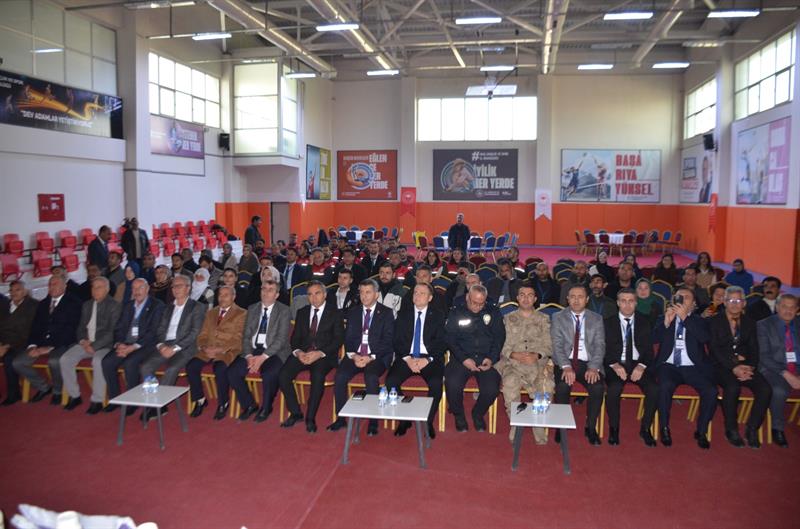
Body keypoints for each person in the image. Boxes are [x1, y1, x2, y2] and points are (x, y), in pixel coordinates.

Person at [652, 288, 716, 449]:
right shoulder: (663, 318)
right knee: (664, 386)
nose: (681, 299)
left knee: (711, 391)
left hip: (693, 367)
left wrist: (685, 319)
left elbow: (704, 337)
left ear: (693, 304)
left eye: (686, 297)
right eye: (678, 296)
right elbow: (653, 339)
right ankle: (664, 428)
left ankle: (701, 431)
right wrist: (666, 323)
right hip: (669, 366)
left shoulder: (700, 321)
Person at [328, 279, 393, 436]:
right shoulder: (354, 312)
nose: (364, 296)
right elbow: (348, 339)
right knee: (340, 376)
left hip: (377, 357)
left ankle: (373, 421)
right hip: (355, 355)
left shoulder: (386, 313)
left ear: (376, 295)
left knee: (371, 377)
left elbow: (388, 341)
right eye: (361, 292)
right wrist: (354, 355)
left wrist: (370, 357)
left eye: (368, 292)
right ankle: (340, 418)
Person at [384, 283, 447, 439]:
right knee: (391, 381)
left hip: (429, 358)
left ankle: (428, 421)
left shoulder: (438, 315)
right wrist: (408, 359)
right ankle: (404, 419)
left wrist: (427, 359)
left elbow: (442, 342)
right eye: (415, 292)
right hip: (407, 356)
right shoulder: (403, 314)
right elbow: (396, 341)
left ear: (430, 298)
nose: (417, 296)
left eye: (422, 293)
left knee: (436, 384)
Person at [710, 286, 771, 448]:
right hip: (721, 366)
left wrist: (750, 367)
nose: (735, 304)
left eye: (738, 300)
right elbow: (715, 350)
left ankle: (752, 429)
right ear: (724, 302)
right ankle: (731, 429)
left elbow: (754, 349)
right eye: (731, 300)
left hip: (745, 366)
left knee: (765, 389)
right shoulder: (714, 321)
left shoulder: (750, 323)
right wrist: (733, 366)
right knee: (732, 387)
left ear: (744, 303)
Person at [139, 274, 206, 421]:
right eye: (173, 286)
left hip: (185, 347)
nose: (175, 289)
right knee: (145, 367)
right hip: (165, 345)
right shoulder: (168, 307)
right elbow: (160, 330)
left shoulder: (197, 307)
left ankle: (158, 405)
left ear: (188, 288)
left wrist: (175, 348)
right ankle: (154, 399)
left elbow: (194, 333)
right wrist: (161, 345)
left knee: (171, 368)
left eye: (179, 286)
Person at [279, 281, 343, 431]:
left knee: (317, 376)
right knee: (283, 375)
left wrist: (319, 353)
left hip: (324, 355)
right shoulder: (302, 312)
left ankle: (310, 417)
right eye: (310, 294)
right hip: (303, 353)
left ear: (325, 295)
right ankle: (295, 413)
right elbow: (295, 339)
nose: (313, 297)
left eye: (317, 293)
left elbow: (338, 339)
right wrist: (299, 352)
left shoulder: (335, 313)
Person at [496, 282, 554, 444]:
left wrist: (537, 355)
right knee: (510, 384)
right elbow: (501, 344)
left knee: (547, 386)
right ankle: (516, 422)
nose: (526, 299)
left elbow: (549, 345)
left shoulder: (544, 319)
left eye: (530, 295)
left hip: (537, 364)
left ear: (535, 299)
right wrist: (513, 354)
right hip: (513, 364)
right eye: (522, 295)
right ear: (517, 298)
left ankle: (539, 424)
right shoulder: (507, 319)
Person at [227, 280, 291, 423]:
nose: (266, 292)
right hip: (253, 349)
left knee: (269, 374)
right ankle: (249, 405)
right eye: (264, 289)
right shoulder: (252, 308)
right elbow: (246, 336)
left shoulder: (284, 310)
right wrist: (249, 356)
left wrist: (262, 358)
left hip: (275, 352)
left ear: (277, 295)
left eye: (270, 290)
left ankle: (266, 407)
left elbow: (280, 340)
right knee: (232, 372)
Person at [12, 275, 82, 405]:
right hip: (41, 344)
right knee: (18, 362)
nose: (51, 287)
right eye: (50, 284)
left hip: (63, 343)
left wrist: (49, 347)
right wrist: (33, 345)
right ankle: (44, 387)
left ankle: (57, 391)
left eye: (55, 284)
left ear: (64, 286)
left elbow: (70, 330)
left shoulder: (74, 303)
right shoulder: (43, 304)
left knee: (54, 361)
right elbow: (35, 327)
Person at [444, 285, 505, 432]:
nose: (477, 306)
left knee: (492, 389)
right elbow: (450, 339)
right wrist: (464, 359)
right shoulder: (456, 312)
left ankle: (477, 413)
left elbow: (499, 338)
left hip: (485, 359)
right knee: (452, 384)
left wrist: (491, 358)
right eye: (474, 302)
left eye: (481, 303)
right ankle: (459, 414)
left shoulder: (493, 312)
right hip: (461, 358)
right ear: (467, 298)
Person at [551, 284, 606, 445]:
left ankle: (591, 427)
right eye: (572, 297)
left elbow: (600, 345)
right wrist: (566, 366)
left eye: (580, 297)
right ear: (567, 299)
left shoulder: (596, 318)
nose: (576, 300)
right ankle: (561, 426)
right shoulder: (558, 317)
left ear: (587, 299)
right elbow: (556, 345)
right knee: (562, 386)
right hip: (565, 362)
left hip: (588, 362)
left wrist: (594, 367)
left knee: (597, 387)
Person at [603, 288, 658, 447]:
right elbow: (602, 349)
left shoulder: (645, 321)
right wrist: (614, 364)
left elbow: (649, 351)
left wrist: (641, 366)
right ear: (618, 303)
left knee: (654, 389)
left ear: (636, 303)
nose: (627, 305)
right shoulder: (607, 322)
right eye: (623, 301)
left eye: (631, 301)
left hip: (637, 363)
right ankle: (614, 428)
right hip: (615, 363)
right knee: (614, 389)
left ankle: (645, 428)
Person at [58, 277, 121, 413]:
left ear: (107, 289)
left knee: (98, 361)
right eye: (93, 287)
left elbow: (111, 332)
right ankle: (74, 395)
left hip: (105, 345)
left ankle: (97, 400)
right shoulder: (87, 304)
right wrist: (82, 341)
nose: (95, 290)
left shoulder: (114, 306)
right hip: (86, 342)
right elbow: (80, 327)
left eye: (99, 287)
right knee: (65, 359)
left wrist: (94, 345)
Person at [102, 279, 165, 414]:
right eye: (134, 288)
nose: (137, 291)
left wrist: (133, 347)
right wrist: (119, 344)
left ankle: (133, 401)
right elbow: (119, 328)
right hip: (126, 344)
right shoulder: (128, 305)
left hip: (146, 345)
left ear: (147, 289)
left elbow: (153, 332)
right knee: (107, 362)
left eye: (140, 288)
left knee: (130, 363)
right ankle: (115, 398)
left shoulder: (157, 305)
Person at [185, 285, 246, 420]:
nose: (222, 298)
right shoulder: (211, 312)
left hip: (228, 350)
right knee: (191, 366)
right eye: (220, 295)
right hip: (208, 349)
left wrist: (219, 349)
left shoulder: (241, 313)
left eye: (226, 295)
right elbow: (202, 335)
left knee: (220, 368)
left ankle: (223, 402)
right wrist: (203, 347)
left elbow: (239, 338)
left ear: (233, 297)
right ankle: (200, 399)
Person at [757, 293, 800, 447]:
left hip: (797, 367)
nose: (788, 310)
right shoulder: (763, 325)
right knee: (779, 390)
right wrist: (787, 374)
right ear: (777, 307)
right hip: (772, 369)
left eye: (792, 307)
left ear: (797, 309)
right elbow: (763, 356)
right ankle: (777, 428)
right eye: (784, 306)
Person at [0, 281, 38, 406]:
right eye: (11, 290)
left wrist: (6, 346)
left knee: (9, 359)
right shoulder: (5, 305)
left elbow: (27, 331)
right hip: (4, 342)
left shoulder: (33, 306)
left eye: (17, 290)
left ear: (25, 291)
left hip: (23, 343)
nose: (13, 293)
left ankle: (14, 394)